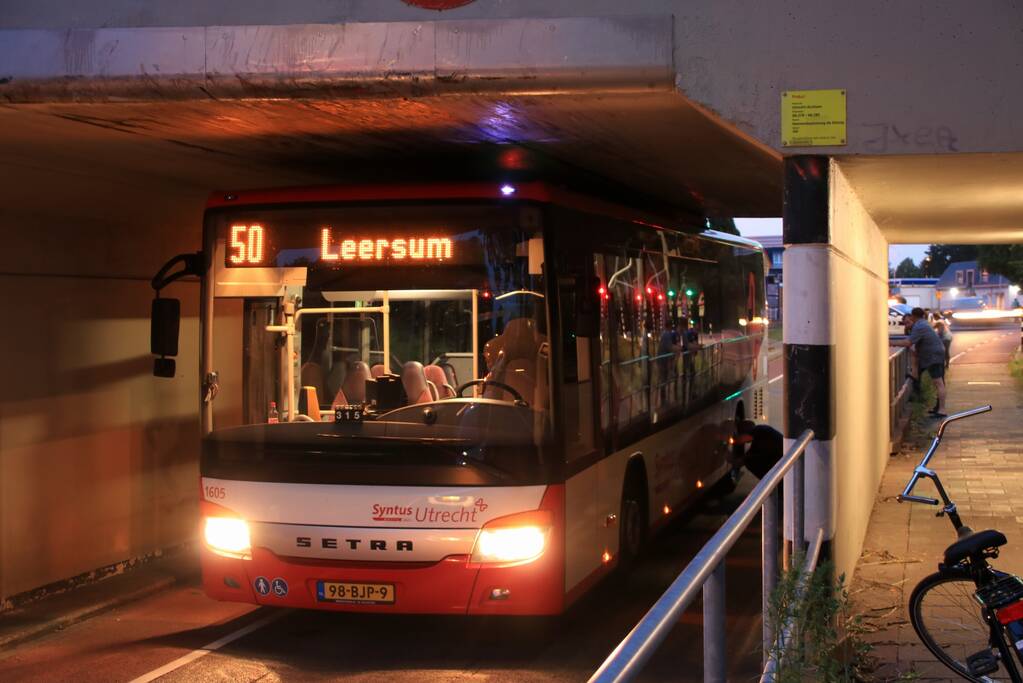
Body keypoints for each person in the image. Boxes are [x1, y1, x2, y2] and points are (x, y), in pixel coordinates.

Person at [893, 307, 948, 417]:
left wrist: (889, 342)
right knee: (939, 383)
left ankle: (942, 410)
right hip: (937, 353)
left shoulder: (919, 326)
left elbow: (908, 342)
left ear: (913, 316)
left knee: (939, 383)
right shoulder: (923, 323)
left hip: (933, 356)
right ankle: (939, 409)